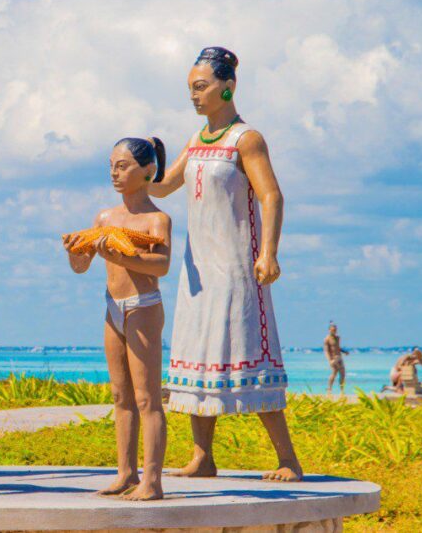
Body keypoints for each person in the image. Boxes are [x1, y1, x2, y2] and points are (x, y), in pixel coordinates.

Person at [150, 47, 303, 482]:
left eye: (201, 87)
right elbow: (162, 187)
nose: (194, 96)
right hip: (198, 271)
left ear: (227, 86)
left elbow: (271, 195)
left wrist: (269, 252)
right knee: (201, 358)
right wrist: (144, 161)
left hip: (237, 268)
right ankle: (203, 457)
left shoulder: (246, 139)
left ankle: (288, 458)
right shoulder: (196, 139)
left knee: (249, 354)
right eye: (190, 89)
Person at [63, 137, 171, 500]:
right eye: (111, 165)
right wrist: (76, 251)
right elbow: (82, 266)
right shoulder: (105, 218)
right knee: (120, 394)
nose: (114, 172)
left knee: (147, 398)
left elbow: (162, 265)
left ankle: (152, 481)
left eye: (122, 166)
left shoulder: (157, 219)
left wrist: (122, 255)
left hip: (143, 306)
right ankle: (126, 473)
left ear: (148, 171)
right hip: (113, 307)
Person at [324, 323, 349, 395]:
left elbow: (337, 347)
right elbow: (326, 351)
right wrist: (330, 360)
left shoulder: (338, 338)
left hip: (339, 357)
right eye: (332, 330)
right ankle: (329, 389)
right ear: (329, 330)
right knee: (334, 373)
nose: (334, 331)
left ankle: (342, 390)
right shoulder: (327, 339)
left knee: (343, 374)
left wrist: (344, 352)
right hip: (333, 358)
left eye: (335, 330)